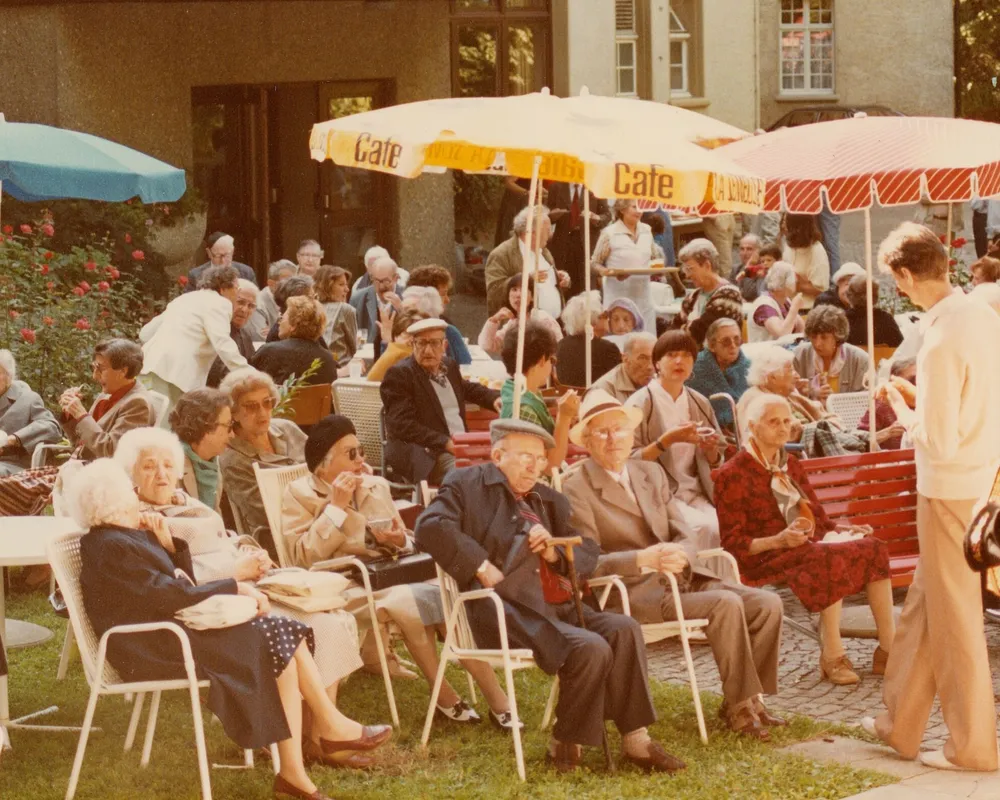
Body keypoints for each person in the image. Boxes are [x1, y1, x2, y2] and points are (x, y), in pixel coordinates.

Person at [71, 458, 388, 800]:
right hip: (151, 646)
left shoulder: (122, 537)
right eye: (130, 493)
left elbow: (175, 584)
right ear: (115, 503)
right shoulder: (113, 546)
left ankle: (302, 762)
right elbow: (166, 595)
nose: (136, 497)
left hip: (167, 632)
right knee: (277, 635)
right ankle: (320, 739)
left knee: (282, 634)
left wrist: (167, 544)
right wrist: (232, 586)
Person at [416, 418, 685, 774]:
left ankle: (637, 741)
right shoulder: (467, 484)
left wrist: (554, 553)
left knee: (623, 628)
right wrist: (480, 565)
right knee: (590, 647)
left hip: (558, 604)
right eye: (525, 456)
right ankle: (564, 743)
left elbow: (587, 552)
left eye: (540, 458)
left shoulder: (546, 498)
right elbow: (430, 526)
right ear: (498, 455)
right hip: (503, 609)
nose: (535, 465)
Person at [114, 425, 374, 766]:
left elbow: (221, 539)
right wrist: (236, 574)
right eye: (148, 466)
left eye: (167, 465)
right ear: (130, 473)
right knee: (314, 626)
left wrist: (249, 554)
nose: (161, 474)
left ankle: (316, 734)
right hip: (216, 603)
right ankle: (305, 737)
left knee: (331, 620)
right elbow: (178, 579)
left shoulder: (184, 501)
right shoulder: (143, 518)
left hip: (246, 582)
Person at [564, 391, 784, 740]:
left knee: (768, 603)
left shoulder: (648, 471)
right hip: (635, 592)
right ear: (588, 440)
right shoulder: (576, 486)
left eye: (618, 430)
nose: (612, 439)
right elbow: (585, 563)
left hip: (683, 578)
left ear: (631, 435)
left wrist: (681, 552)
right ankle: (740, 707)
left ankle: (749, 700)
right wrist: (641, 560)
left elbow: (683, 531)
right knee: (725, 603)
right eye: (601, 432)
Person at [863, 221, 1000, 771]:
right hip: (980, 482)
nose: (897, 290)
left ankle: (971, 747)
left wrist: (899, 409)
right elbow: (971, 405)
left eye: (896, 281)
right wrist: (916, 395)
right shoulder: (981, 318)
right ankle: (901, 724)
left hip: (947, 488)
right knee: (926, 606)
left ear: (904, 274)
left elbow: (937, 437)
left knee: (956, 619)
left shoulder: (941, 335)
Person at [281, 415, 517, 727]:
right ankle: (444, 695)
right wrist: (336, 507)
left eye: (361, 451)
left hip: (391, 574)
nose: (361, 460)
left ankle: (496, 696)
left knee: (446, 599)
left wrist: (398, 540)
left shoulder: (374, 486)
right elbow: (304, 557)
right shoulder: (299, 494)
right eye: (351, 454)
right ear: (324, 464)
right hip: (346, 585)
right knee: (410, 603)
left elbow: (407, 540)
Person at [715, 394, 895, 686]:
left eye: (787, 420)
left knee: (872, 547)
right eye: (773, 422)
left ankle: (888, 649)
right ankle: (832, 655)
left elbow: (819, 519)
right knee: (824, 556)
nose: (783, 428)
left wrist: (847, 529)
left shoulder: (791, 464)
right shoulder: (731, 474)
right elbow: (733, 543)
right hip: (763, 555)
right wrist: (779, 541)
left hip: (803, 544)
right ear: (752, 426)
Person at [625, 331, 725, 557]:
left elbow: (717, 458)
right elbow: (627, 460)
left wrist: (710, 449)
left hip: (696, 491)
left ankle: (720, 585)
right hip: (658, 493)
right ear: (657, 363)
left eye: (686, 355)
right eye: (671, 355)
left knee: (722, 524)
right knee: (703, 528)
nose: (679, 361)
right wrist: (667, 440)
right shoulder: (640, 402)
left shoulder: (699, 402)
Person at [381, 318, 501, 485]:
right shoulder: (400, 375)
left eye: (435, 343)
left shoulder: (448, 366)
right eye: (422, 343)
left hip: (461, 445)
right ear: (412, 345)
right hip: (426, 453)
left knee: (501, 467)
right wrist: (445, 443)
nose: (428, 350)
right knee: (468, 475)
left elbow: (465, 387)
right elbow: (402, 425)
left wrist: (494, 398)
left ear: (444, 345)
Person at [218, 368, 307, 553]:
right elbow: (266, 513)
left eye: (267, 403)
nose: (262, 412)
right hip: (278, 539)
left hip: (319, 519)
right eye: (251, 406)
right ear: (233, 413)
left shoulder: (288, 429)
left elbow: (324, 465)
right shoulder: (232, 459)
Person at [139, 264, 249, 410]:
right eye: (236, 288)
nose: (238, 294)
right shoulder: (220, 303)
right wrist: (249, 374)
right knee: (166, 428)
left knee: (149, 426)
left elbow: (145, 333)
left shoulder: (185, 299)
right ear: (223, 289)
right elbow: (223, 344)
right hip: (177, 375)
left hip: (149, 367)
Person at [737, 345, 862, 454]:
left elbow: (826, 416)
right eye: (791, 370)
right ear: (773, 377)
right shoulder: (755, 399)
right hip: (796, 453)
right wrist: (809, 429)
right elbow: (758, 438)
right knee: (857, 444)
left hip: (818, 446)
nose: (797, 375)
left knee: (859, 441)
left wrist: (829, 425)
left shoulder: (790, 396)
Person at [498, 322, 580, 470]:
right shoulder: (522, 408)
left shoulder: (518, 390)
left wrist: (566, 423)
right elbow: (548, 466)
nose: (552, 366)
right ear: (542, 359)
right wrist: (564, 417)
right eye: (552, 360)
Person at [57, 339, 154, 460]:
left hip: (103, 475)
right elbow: (81, 443)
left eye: (100, 369)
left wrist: (81, 414)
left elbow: (112, 451)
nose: (94, 376)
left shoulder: (137, 404)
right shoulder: (108, 393)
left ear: (123, 371)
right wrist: (71, 414)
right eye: (93, 367)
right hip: (80, 465)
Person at [485, 205, 568, 318]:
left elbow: (549, 286)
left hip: (554, 326)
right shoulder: (501, 254)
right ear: (531, 232)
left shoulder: (544, 252)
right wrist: (525, 280)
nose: (550, 235)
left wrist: (561, 279)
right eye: (548, 230)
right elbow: (494, 293)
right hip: (521, 328)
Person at [592, 199, 659, 334]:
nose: (639, 211)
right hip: (619, 296)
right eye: (634, 207)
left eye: (641, 207)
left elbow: (654, 257)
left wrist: (656, 269)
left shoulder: (647, 230)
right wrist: (608, 272)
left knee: (645, 338)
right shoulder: (609, 233)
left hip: (643, 294)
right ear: (622, 210)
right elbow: (594, 263)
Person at [169, 388, 233, 512]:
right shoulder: (170, 466)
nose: (232, 435)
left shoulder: (213, 462)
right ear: (206, 425)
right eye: (228, 426)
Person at [0, 349, 62, 476]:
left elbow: (52, 427)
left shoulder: (28, 399)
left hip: (13, 466)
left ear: (9, 375)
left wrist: (13, 439)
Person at [252, 296, 337, 387]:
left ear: (294, 324)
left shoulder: (269, 351)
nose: (279, 323)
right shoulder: (328, 359)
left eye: (282, 318)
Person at [675, 238, 744, 348]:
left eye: (690, 269)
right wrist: (685, 329)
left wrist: (683, 328)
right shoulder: (693, 296)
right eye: (685, 270)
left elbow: (700, 332)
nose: (687, 275)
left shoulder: (729, 295)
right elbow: (672, 330)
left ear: (707, 265)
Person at [792, 305, 871, 401]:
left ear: (838, 336)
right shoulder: (798, 356)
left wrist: (835, 401)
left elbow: (867, 399)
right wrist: (810, 393)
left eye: (824, 337)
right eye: (813, 336)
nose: (817, 344)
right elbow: (789, 395)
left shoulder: (861, 360)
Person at [686, 319, 750, 431]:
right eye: (726, 341)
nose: (733, 345)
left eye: (737, 339)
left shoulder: (749, 368)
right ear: (711, 345)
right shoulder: (695, 368)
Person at [545, 181, 611, 290]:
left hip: (588, 242)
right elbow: (546, 214)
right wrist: (553, 216)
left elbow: (607, 216)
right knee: (562, 282)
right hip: (563, 242)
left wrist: (597, 219)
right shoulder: (556, 186)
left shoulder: (596, 186)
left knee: (587, 284)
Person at [477, 274, 561, 356]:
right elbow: (487, 346)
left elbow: (560, 351)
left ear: (532, 297)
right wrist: (494, 320)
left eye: (524, 290)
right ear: (508, 295)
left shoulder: (543, 319)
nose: (518, 295)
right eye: (514, 289)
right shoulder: (513, 322)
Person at [402, 268, 472, 365]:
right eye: (443, 294)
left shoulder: (448, 329)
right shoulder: (397, 332)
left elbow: (466, 368)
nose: (448, 300)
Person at [556, 291, 620, 387]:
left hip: (570, 398)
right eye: (605, 315)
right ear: (593, 320)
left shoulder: (561, 345)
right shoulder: (608, 349)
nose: (609, 319)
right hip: (597, 399)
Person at [207, 279, 259, 388]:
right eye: (240, 302)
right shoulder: (216, 329)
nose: (244, 309)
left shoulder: (245, 334)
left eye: (251, 306)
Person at [857, 358, 914, 451]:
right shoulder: (882, 404)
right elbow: (859, 441)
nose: (914, 385)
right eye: (912, 380)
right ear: (894, 382)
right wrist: (889, 432)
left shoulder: (925, 403)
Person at [312, 265, 358, 371]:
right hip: (341, 368)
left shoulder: (310, 306)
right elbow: (354, 347)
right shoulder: (345, 309)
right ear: (327, 286)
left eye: (346, 285)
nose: (347, 289)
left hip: (314, 369)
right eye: (341, 285)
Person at [589, 332, 656, 404]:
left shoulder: (659, 382)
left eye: (654, 358)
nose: (650, 367)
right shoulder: (604, 390)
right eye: (642, 358)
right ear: (625, 359)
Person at [747, 262, 806, 343]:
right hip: (763, 352)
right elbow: (782, 334)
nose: (796, 282)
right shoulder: (764, 305)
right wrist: (794, 309)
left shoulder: (785, 300)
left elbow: (802, 329)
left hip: (780, 352)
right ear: (787, 283)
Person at [781, 214, 830, 311]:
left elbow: (821, 289)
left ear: (797, 226)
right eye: (783, 222)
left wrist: (798, 284)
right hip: (787, 307)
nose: (783, 226)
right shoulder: (788, 246)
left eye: (786, 222)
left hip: (807, 309)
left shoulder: (816, 250)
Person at [366, 309, 426, 383]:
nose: (412, 340)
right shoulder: (394, 353)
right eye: (407, 334)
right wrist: (392, 345)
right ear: (395, 336)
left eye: (417, 335)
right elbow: (373, 379)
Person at [843, 275, 903, 348]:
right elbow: (900, 348)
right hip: (880, 359)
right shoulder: (886, 319)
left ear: (849, 296)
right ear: (876, 296)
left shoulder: (842, 321)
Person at [351, 257, 401, 343]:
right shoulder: (358, 298)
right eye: (377, 281)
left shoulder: (407, 298)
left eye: (386, 281)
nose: (381, 287)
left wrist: (401, 309)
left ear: (396, 278)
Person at [184, 232, 256, 291]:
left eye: (227, 255)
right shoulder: (196, 275)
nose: (223, 261)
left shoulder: (247, 273)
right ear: (209, 253)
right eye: (219, 256)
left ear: (233, 251)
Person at [250, 259, 298, 341]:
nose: (293, 287)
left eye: (295, 282)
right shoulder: (257, 304)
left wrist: (274, 332)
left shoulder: (295, 300)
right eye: (287, 282)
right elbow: (262, 339)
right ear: (271, 284)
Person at [265, 274, 316, 343]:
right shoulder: (281, 334)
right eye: (310, 298)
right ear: (294, 302)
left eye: (315, 297)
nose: (315, 302)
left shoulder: (306, 326)